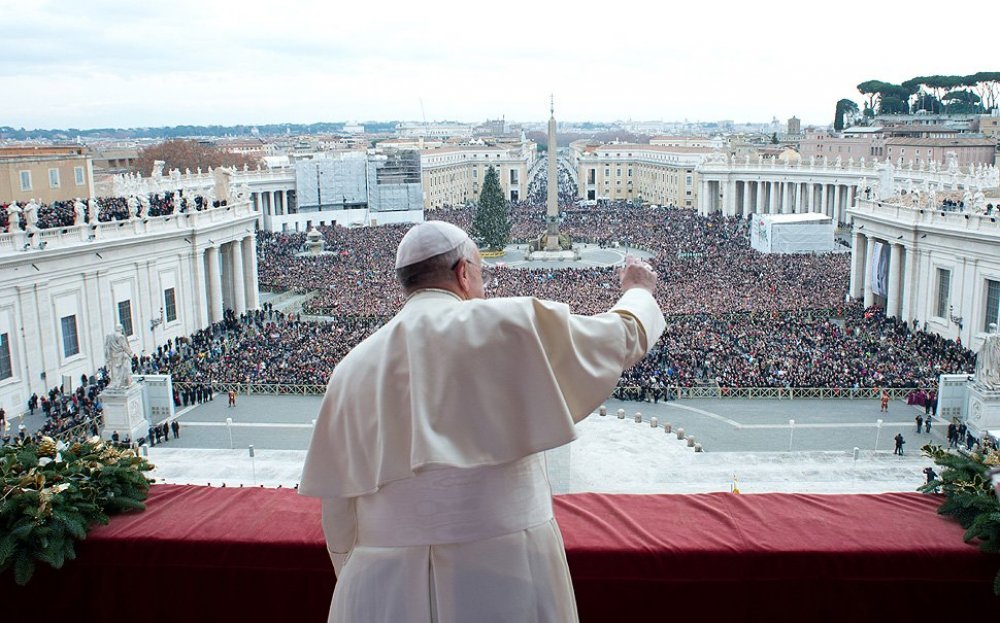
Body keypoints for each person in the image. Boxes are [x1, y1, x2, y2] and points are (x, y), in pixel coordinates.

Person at [299, 221, 665, 623]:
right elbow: (621, 336)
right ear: (462, 272)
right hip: (508, 571)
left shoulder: (350, 369)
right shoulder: (511, 324)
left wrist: (358, 572)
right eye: (481, 274)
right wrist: (638, 290)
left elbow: (337, 505)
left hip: (381, 583)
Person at [104, 325, 134, 390]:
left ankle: (116, 382)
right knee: (123, 370)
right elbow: (124, 346)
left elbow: (107, 346)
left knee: (115, 370)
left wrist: (107, 356)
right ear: (121, 329)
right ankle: (122, 383)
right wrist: (130, 353)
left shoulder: (109, 335)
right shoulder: (120, 336)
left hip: (113, 356)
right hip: (120, 356)